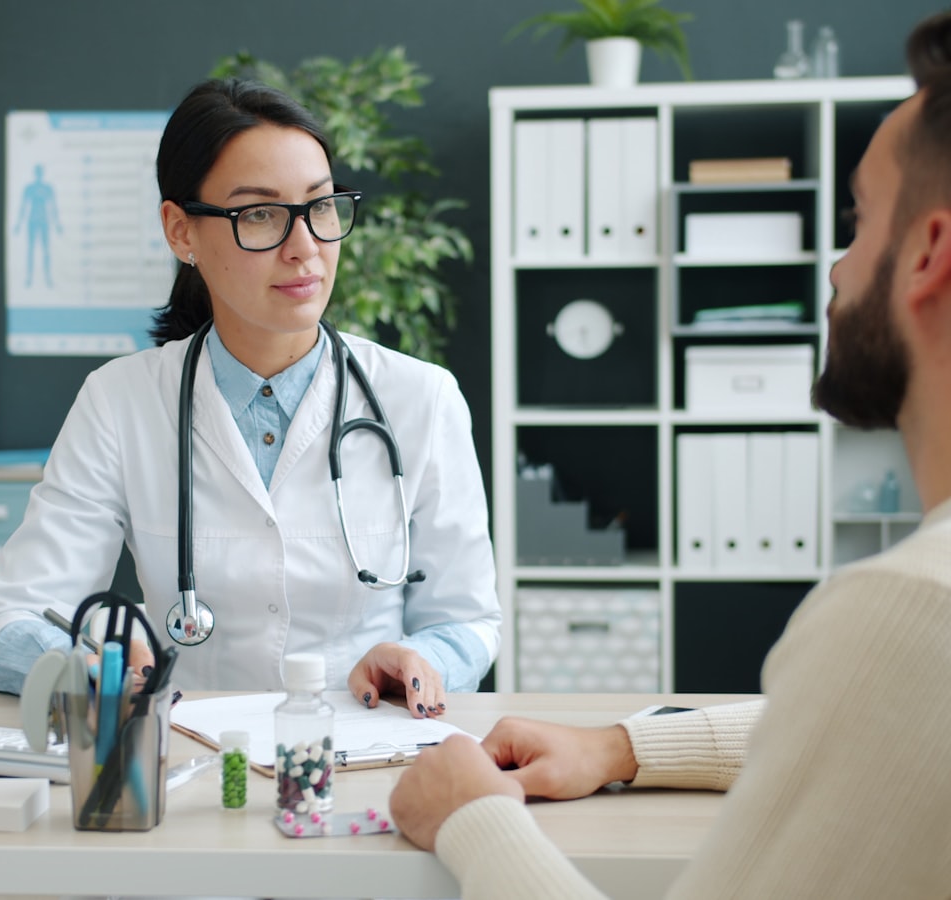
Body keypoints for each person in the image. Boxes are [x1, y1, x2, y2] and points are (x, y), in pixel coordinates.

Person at [390, 11, 951, 896]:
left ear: (929, 252)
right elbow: (857, 725)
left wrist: (471, 817)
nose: (836, 268)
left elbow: (884, 686)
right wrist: (620, 745)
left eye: (859, 219)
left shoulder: (907, 611)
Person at [0, 77, 501, 718]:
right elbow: (8, 621)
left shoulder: (422, 398)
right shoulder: (121, 401)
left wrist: (427, 663)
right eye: (260, 215)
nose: (305, 246)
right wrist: (84, 668)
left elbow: (468, 621)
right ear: (180, 231)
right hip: (186, 758)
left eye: (321, 206)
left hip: (369, 753)